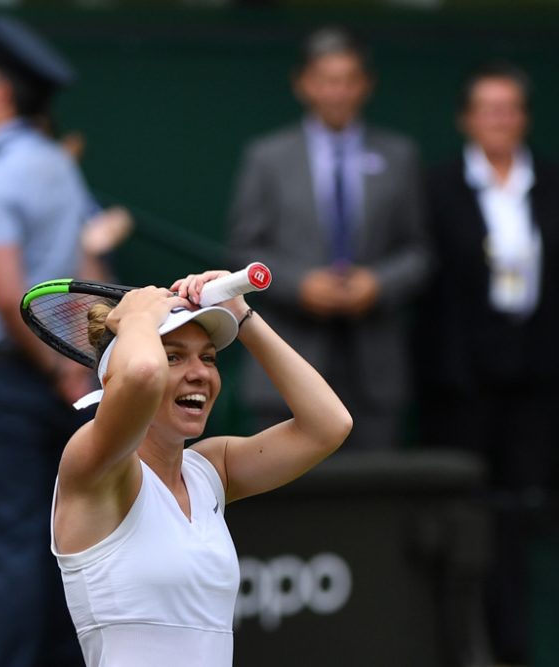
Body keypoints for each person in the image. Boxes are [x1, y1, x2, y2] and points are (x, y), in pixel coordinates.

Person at [51, 272, 351, 666]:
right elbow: (141, 375)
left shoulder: (211, 472)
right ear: (111, 379)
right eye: (173, 356)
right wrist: (136, 320)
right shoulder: (94, 466)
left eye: (208, 357)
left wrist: (243, 317)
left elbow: (329, 424)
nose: (200, 374)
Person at [0, 16, 97, 667]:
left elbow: (12, 297)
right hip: (57, 380)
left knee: (11, 557)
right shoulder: (61, 171)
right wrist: (74, 366)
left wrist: (54, 365)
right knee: (64, 549)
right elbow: (87, 269)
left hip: (5, 384)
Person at [226, 26, 429, 450]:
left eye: (348, 80)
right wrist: (299, 284)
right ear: (304, 84)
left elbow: (419, 251)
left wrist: (378, 283)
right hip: (287, 359)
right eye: (326, 80)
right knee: (286, 507)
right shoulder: (267, 157)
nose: (337, 92)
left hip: (374, 366)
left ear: (365, 85)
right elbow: (244, 249)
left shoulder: (400, 155)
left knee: (371, 502)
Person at [418, 62, 559, 665]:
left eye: (510, 108)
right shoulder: (438, 185)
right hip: (463, 382)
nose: (499, 120)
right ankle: (464, 642)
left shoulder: (550, 182)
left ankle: (517, 642)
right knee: (466, 511)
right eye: (488, 108)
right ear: (467, 119)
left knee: (522, 512)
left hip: (536, 378)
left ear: (524, 117)